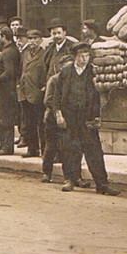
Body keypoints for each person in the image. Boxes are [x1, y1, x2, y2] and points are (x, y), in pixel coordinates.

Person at [54, 41, 120, 195]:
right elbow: (57, 96)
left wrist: (98, 116)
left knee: (94, 150)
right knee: (68, 148)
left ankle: (102, 184)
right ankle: (69, 179)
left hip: (87, 117)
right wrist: (58, 114)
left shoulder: (94, 72)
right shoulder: (66, 72)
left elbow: (100, 95)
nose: (84, 59)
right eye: (81, 56)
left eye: (86, 56)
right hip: (69, 116)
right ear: (75, 56)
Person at [41, 52, 73, 183]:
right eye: (66, 67)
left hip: (70, 119)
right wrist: (59, 111)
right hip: (53, 118)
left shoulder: (75, 81)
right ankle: (46, 173)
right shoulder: (54, 80)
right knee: (51, 147)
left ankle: (71, 177)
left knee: (69, 148)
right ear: (61, 68)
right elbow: (48, 100)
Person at [17, 29, 48, 158]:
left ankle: (45, 150)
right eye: (30, 39)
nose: (33, 41)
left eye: (35, 39)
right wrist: (19, 84)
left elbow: (47, 72)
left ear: (40, 40)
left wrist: (44, 87)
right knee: (28, 123)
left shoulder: (45, 54)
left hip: (37, 92)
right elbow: (21, 70)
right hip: (25, 92)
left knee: (41, 124)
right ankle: (32, 149)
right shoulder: (24, 54)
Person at [0, 28, 21, 155]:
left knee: (5, 118)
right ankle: (3, 144)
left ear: (3, 36)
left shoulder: (8, 52)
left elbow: (9, 73)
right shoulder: (9, 50)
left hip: (5, 91)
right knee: (1, 117)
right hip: (4, 91)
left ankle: (7, 147)